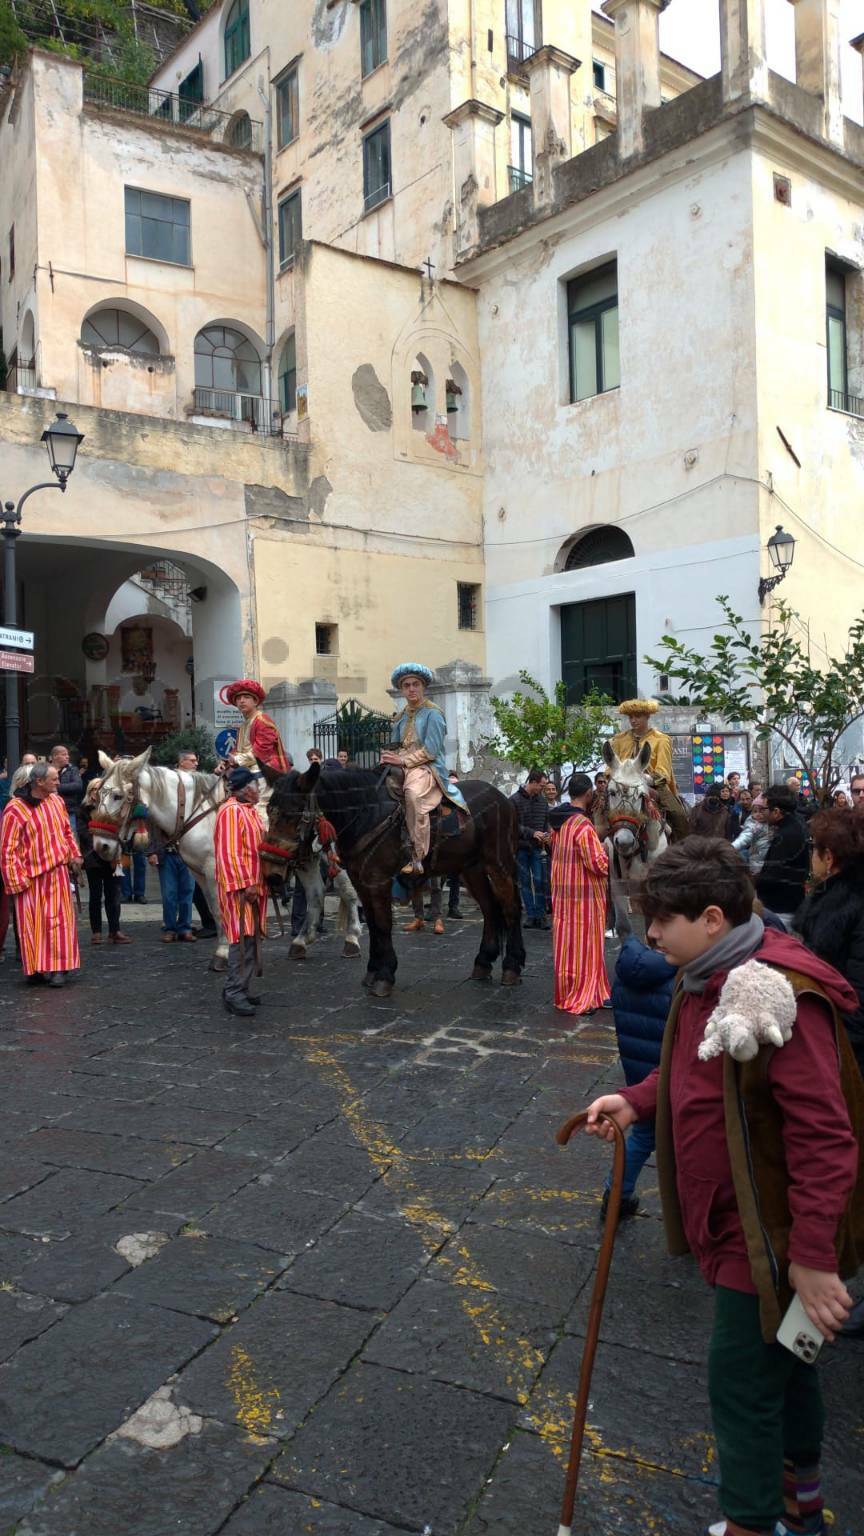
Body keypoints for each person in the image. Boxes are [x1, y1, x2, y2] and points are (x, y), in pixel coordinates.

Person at [584, 838, 861, 1536]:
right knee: (787, 1369)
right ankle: (803, 1513)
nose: (648, 933)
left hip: (764, 1230)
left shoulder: (775, 994)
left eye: (660, 920)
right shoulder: (708, 973)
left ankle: (748, 1523)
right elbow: (691, 1071)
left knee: (739, 1383)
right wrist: (638, 1100)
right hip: (729, 1215)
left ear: (711, 917)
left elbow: (826, 1139)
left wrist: (813, 1254)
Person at [602, 934, 676, 1219]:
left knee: (642, 1137)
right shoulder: (679, 978)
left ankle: (615, 1194)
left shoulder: (625, 972)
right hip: (666, 1076)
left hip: (636, 1072)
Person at [0, 761, 82, 987]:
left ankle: (59, 968)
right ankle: (35, 968)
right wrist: (16, 881)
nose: (58, 782)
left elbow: (67, 831)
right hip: (30, 878)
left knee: (60, 924)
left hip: (57, 874)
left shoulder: (57, 801)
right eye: (54, 779)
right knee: (31, 926)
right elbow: (7, 848)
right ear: (39, 782)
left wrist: (75, 855)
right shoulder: (15, 809)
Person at [381, 663, 467, 876]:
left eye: (415, 684)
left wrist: (403, 761)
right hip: (400, 765)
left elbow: (431, 750)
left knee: (413, 795)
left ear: (423, 687)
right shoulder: (401, 716)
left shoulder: (433, 714)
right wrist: (387, 755)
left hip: (425, 768)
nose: (411, 689)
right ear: (402, 689)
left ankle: (417, 856)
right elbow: (395, 744)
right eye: (407, 685)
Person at [796, 808, 864, 1073]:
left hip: (843, 1047)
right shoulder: (828, 895)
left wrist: (836, 1054)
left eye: (814, 849)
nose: (810, 856)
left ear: (828, 857)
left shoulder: (845, 905)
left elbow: (858, 992)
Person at [549, 773, 609, 1013]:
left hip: (563, 895)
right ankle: (583, 995)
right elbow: (597, 864)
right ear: (587, 794)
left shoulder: (558, 822)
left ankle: (572, 993)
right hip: (584, 898)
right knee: (585, 947)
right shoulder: (583, 825)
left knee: (566, 947)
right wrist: (605, 852)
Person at [213, 766, 267, 1017]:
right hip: (241, 889)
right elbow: (230, 854)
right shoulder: (231, 812)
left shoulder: (249, 811)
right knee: (240, 939)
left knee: (250, 937)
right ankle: (234, 992)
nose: (259, 789)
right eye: (256, 785)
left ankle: (241, 988)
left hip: (253, 887)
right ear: (246, 788)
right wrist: (247, 884)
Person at [610, 698, 689, 839]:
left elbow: (663, 773)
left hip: (655, 785)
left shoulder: (661, 739)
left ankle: (683, 848)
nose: (633, 720)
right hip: (622, 785)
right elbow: (610, 768)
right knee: (598, 810)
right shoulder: (619, 739)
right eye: (630, 717)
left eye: (638, 716)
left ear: (647, 716)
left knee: (679, 815)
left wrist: (646, 778)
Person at [79, 780, 131, 946]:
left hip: (115, 857)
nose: (97, 792)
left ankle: (115, 930)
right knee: (95, 896)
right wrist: (99, 845)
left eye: (100, 789)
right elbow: (83, 833)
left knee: (114, 895)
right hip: (93, 857)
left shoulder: (113, 807)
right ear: (89, 791)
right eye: (94, 789)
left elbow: (123, 831)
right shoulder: (84, 809)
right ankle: (96, 932)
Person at [175, 749, 217, 936]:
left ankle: (209, 923)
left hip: (198, 839)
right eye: (192, 760)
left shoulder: (198, 778)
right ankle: (191, 923)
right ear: (181, 762)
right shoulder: (176, 780)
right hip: (182, 841)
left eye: (196, 760)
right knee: (186, 890)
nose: (196, 763)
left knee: (195, 888)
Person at [756, 785, 809, 925]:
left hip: (782, 908)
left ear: (776, 812)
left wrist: (752, 880)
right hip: (785, 903)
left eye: (764, 809)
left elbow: (775, 875)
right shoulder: (792, 826)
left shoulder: (787, 834)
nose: (761, 813)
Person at [221, 679, 290, 773]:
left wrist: (236, 759)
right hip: (247, 767)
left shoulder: (262, 721)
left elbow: (262, 753)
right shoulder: (243, 726)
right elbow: (237, 750)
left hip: (265, 769)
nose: (241, 701)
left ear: (255, 702)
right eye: (238, 698)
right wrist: (225, 764)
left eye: (246, 697)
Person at [511, 769, 550, 929]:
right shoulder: (514, 800)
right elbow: (512, 825)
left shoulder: (543, 801)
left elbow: (546, 822)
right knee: (525, 882)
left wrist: (547, 834)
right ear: (532, 782)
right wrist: (532, 832)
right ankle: (530, 915)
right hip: (521, 848)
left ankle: (541, 915)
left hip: (538, 849)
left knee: (540, 881)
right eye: (541, 786)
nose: (543, 789)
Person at [732, 794, 773, 876]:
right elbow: (745, 837)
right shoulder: (753, 824)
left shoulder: (771, 823)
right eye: (755, 811)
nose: (758, 814)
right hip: (757, 862)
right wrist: (732, 847)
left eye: (761, 811)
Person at [49, 744, 83, 835]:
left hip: (68, 810)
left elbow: (78, 786)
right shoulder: (46, 770)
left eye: (67, 754)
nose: (67, 757)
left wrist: (56, 788)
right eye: (64, 754)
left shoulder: (72, 770)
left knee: (71, 835)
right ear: (55, 756)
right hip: (49, 810)